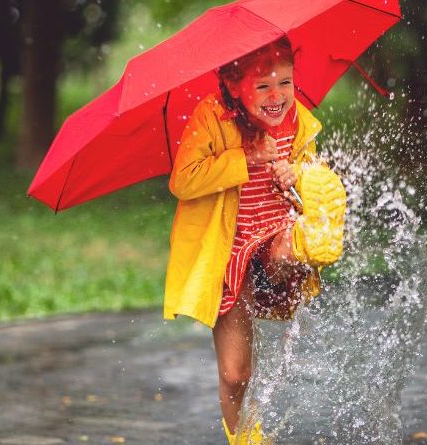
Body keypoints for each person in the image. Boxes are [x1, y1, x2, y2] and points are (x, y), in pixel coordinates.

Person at [162, 37, 345, 444]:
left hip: (274, 236)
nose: (277, 96)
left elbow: (306, 161)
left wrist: (296, 175)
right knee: (235, 373)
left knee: (285, 248)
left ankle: (309, 238)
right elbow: (183, 179)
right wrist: (247, 159)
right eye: (263, 86)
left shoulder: (296, 119)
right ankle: (246, 439)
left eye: (286, 82)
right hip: (229, 254)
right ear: (232, 82)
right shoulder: (211, 116)